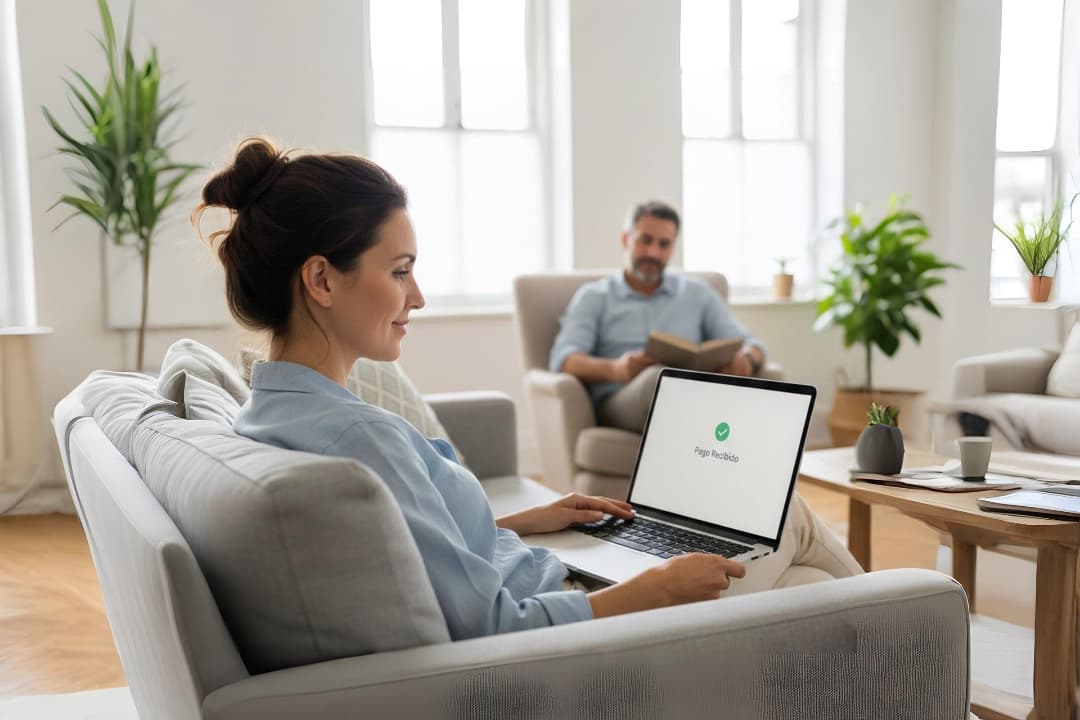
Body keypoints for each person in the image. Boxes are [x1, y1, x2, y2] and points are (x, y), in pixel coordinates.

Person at [196, 138, 861, 643]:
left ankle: (909, 647)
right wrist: (657, 588)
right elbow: (495, 627)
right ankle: (924, 635)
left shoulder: (274, 412)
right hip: (582, 636)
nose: (417, 297)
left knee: (811, 589)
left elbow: (398, 544)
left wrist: (517, 520)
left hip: (547, 576)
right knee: (795, 527)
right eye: (399, 271)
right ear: (321, 280)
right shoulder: (357, 437)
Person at [550, 200, 767, 434]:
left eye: (664, 244)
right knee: (660, 379)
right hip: (622, 401)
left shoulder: (697, 293)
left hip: (694, 396)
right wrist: (616, 369)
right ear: (626, 240)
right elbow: (564, 360)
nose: (653, 252)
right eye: (645, 240)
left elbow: (752, 345)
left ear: (673, 249)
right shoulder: (594, 297)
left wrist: (747, 361)